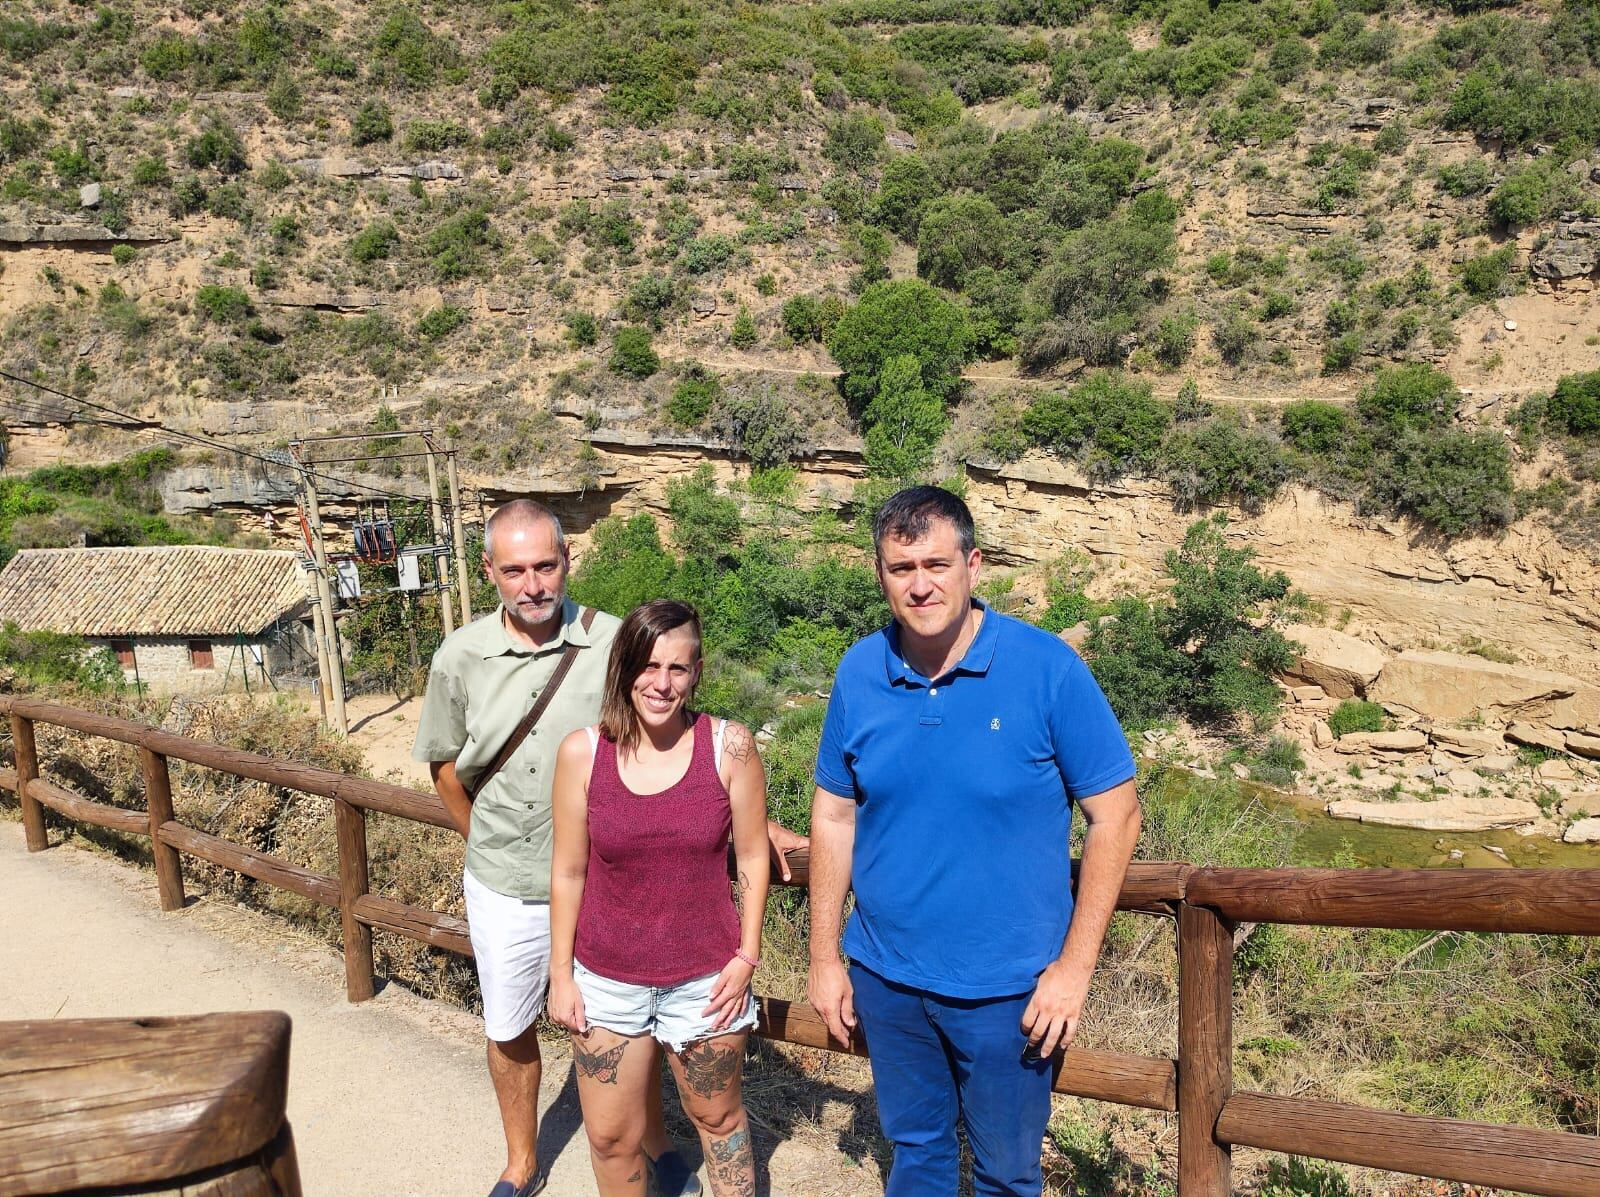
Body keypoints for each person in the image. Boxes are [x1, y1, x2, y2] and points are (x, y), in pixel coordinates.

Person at [413, 501, 803, 1197]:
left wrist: (755, 839)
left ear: (567, 562)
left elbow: (731, 822)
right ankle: (521, 1157)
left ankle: (659, 1152)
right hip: (548, 915)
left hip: (658, 935)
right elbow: (452, 772)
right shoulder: (471, 664)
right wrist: (489, 851)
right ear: (490, 573)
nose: (661, 680)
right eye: (515, 569)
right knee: (548, 1068)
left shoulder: (658, 680)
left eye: (545, 565)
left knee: (700, 1112)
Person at [807, 486, 1142, 1197]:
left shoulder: (1047, 668)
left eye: (936, 562)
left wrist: (1074, 970)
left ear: (973, 563)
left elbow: (1117, 815)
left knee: (1006, 1174)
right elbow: (834, 813)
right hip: (887, 976)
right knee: (917, 1151)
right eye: (902, 568)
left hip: (1009, 992)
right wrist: (824, 956)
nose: (920, 584)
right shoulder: (859, 670)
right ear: (880, 575)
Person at [548, 599, 769, 1197]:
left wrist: (746, 956)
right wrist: (560, 974)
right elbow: (568, 870)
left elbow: (751, 855)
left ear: (696, 672)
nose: (661, 683)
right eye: (648, 666)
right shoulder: (583, 753)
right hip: (605, 978)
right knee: (611, 1138)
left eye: (677, 668)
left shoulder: (731, 747)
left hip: (706, 979)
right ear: (623, 667)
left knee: (719, 1123)